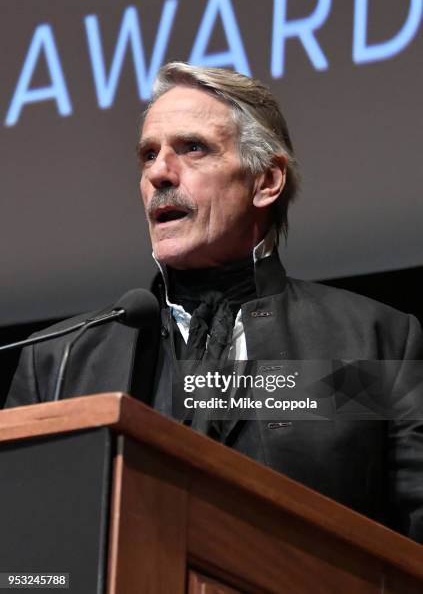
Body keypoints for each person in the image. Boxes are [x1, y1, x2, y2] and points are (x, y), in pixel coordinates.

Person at [6, 62, 423, 542]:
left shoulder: (370, 343)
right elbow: (23, 555)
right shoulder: (60, 361)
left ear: (266, 182)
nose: (159, 172)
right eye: (148, 154)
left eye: (193, 148)